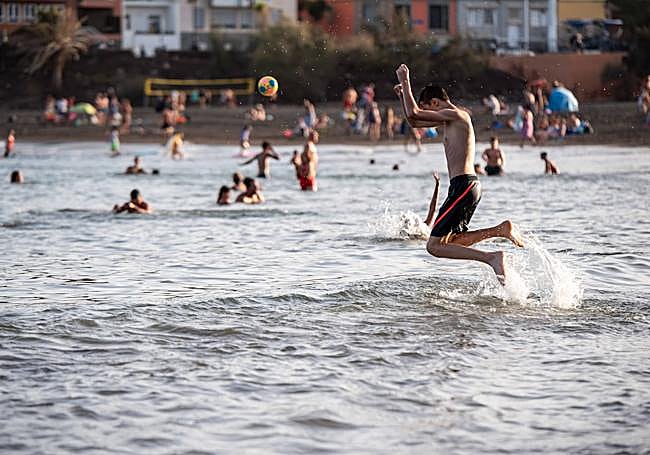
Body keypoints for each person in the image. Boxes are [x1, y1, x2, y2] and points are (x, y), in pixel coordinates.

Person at [395, 63, 525, 284]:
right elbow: (413, 119)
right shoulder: (449, 119)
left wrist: (406, 81)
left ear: (435, 103)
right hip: (464, 187)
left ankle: (492, 258)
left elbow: (415, 112)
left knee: (434, 246)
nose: (431, 114)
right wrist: (402, 96)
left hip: (463, 186)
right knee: (454, 240)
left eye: (431, 108)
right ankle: (500, 230)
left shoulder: (457, 116)